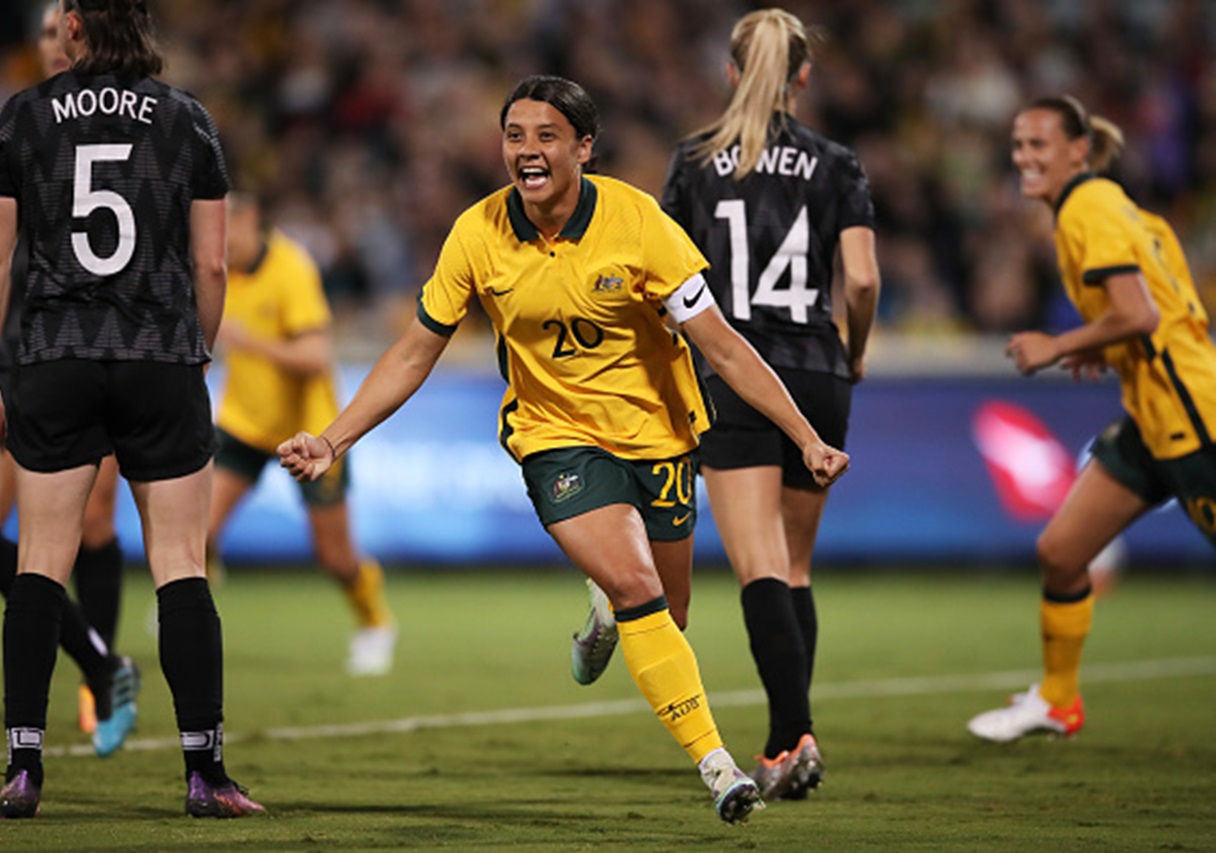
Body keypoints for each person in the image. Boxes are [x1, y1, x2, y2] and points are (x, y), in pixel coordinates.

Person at [279, 74, 849, 824]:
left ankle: (608, 614)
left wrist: (804, 435)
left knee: (664, 612)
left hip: (659, 436)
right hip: (556, 441)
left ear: (584, 146)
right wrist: (332, 436)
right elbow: (414, 353)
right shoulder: (477, 233)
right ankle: (719, 767)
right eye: (515, 136)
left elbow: (725, 349)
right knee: (641, 585)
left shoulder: (639, 223)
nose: (527, 151)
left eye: (546, 136)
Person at [0, 0, 262, 818]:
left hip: (54, 356)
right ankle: (207, 773)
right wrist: (194, 348)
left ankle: (22, 766)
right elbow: (212, 263)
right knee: (181, 567)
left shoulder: (25, 114)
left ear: (79, 27)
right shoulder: (186, 118)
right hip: (158, 353)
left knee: (38, 564)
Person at [654, 8, 879, 801]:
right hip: (818, 370)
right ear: (803, 77)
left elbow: (664, 283)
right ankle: (791, 737)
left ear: (730, 72)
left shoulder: (693, 161)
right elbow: (860, 279)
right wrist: (848, 356)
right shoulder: (836, 162)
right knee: (795, 565)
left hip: (737, 375)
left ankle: (792, 737)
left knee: (758, 569)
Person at [967, 95, 1216, 742]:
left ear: (1078, 149)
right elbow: (1172, 308)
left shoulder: (1088, 206)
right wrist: (1102, 348)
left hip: (1194, 418)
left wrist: (1060, 344)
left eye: (1039, 145)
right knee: (1063, 550)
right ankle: (1056, 700)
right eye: (1018, 145)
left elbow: (1140, 314)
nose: (1024, 157)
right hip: (1152, 414)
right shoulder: (1119, 208)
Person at [0, 0, 127, 736]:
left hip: (71, 349)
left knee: (83, 521)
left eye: (65, 31)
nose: (58, 46)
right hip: (15, 347)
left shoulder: (135, 123)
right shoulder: (22, 122)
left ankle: (92, 673)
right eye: (46, 35)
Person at [208, 190, 397, 676]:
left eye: (225, 228)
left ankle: (375, 622)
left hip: (311, 433)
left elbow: (315, 357)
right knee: (196, 529)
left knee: (334, 557)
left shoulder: (291, 268)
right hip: (245, 423)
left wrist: (249, 340)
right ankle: (193, 603)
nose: (218, 242)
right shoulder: (213, 268)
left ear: (251, 218)